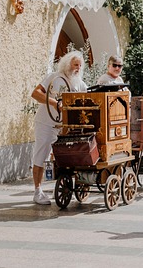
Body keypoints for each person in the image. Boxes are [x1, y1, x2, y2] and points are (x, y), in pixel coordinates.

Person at [30, 51, 88, 204]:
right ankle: (37, 191)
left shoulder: (79, 84)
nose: (78, 68)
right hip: (46, 123)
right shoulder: (54, 77)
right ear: (68, 64)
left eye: (80, 65)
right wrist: (55, 103)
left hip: (64, 127)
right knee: (41, 155)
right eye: (75, 64)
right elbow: (35, 93)